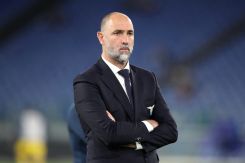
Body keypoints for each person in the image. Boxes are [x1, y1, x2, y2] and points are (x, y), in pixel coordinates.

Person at [73, 12, 178, 163]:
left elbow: (170, 131)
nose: (125, 40)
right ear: (101, 37)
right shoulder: (86, 82)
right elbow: (109, 133)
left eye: (130, 33)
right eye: (117, 33)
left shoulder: (148, 78)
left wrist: (134, 142)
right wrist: (149, 124)